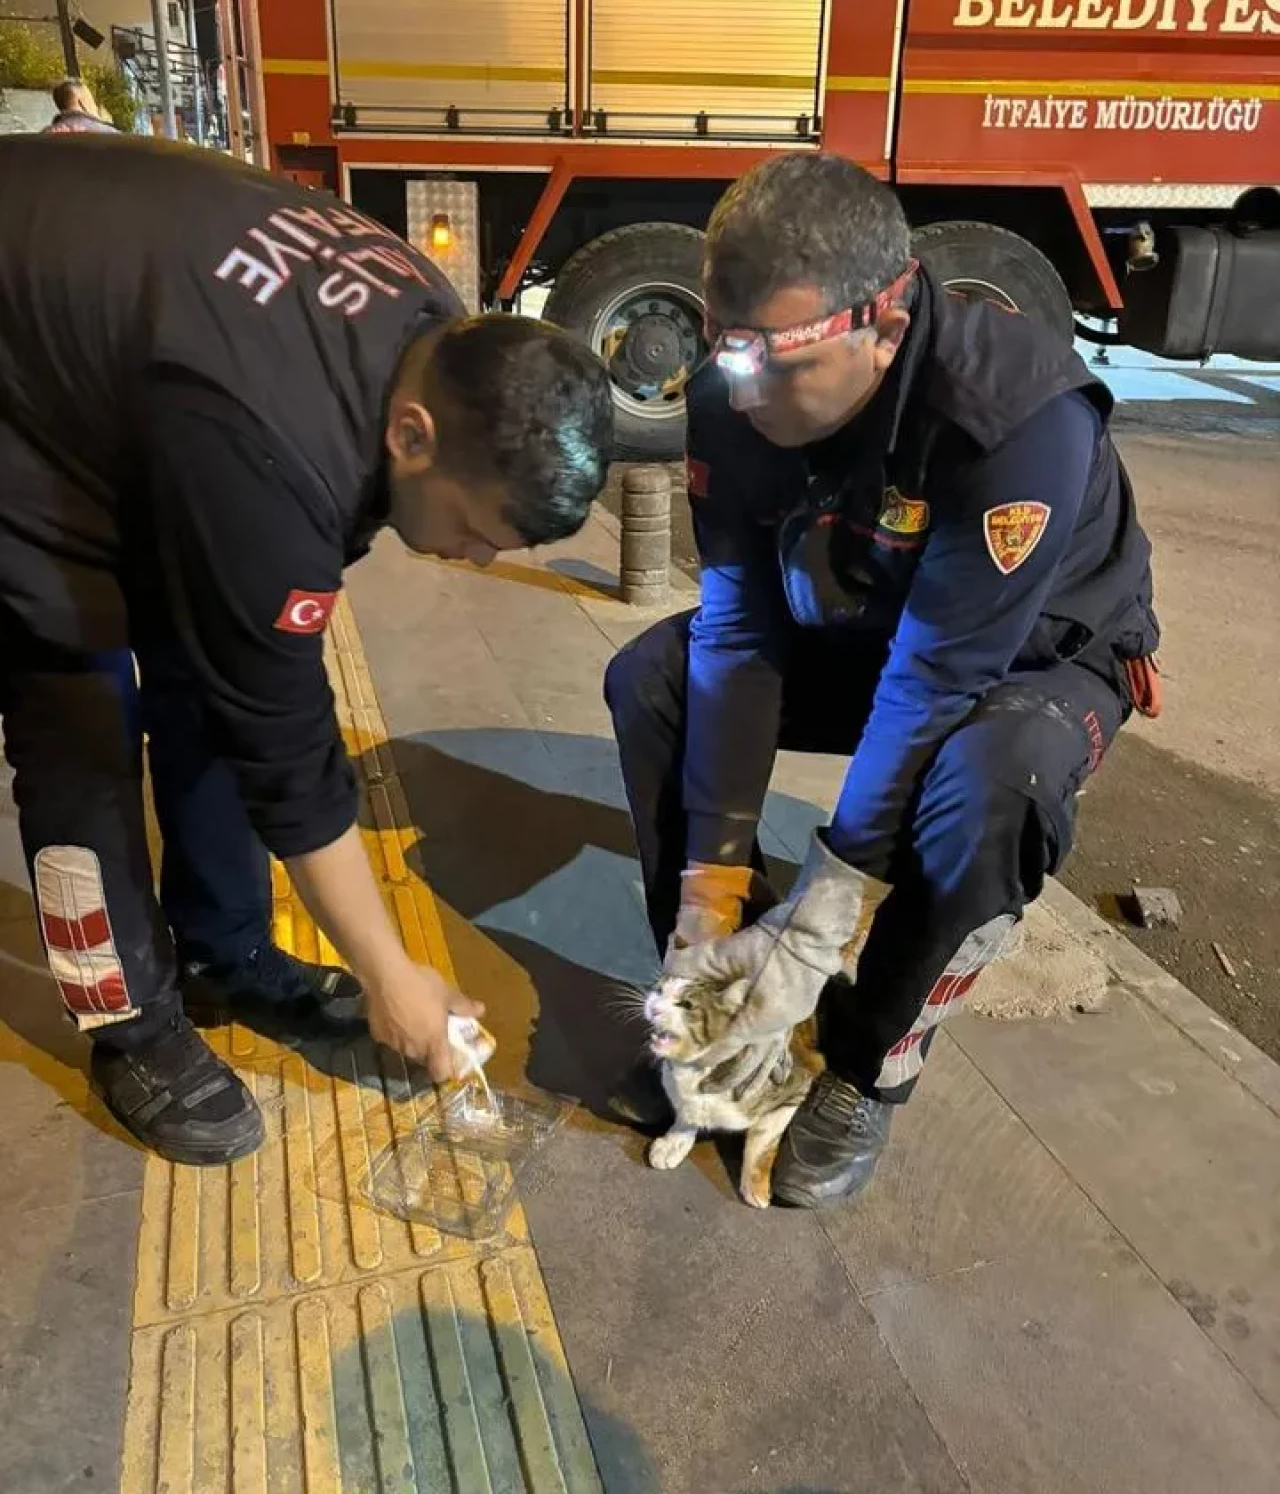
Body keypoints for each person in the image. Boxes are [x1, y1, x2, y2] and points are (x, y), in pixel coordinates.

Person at [0, 135, 612, 1166]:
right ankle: (129, 1025)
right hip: (25, 400)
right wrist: (388, 973)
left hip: (124, 353)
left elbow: (242, 667)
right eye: (475, 530)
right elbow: (281, 732)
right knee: (75, 713)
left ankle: (223, 953)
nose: (473, 561)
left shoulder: (431, 327)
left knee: (207, 666)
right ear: (411, 435)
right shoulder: (267, 445)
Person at [604, 153, 1160, 1209]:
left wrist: (825, 914)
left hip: (1026, 658)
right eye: (729, 356)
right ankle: (731, 1002)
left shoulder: (1011, 416)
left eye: (777, 364)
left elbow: (936, 680)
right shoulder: (737, 389)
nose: (744, 393)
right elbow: (738, 628)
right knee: (654, 679)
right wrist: (710, 890)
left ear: (886, 324)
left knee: (994, 784)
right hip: (871, 618)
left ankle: (868, 1062)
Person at [44, 78, 117, 133]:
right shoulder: (111, 134)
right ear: (82, 102)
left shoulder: (44, 135)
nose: (96, 107)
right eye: (92, 101)